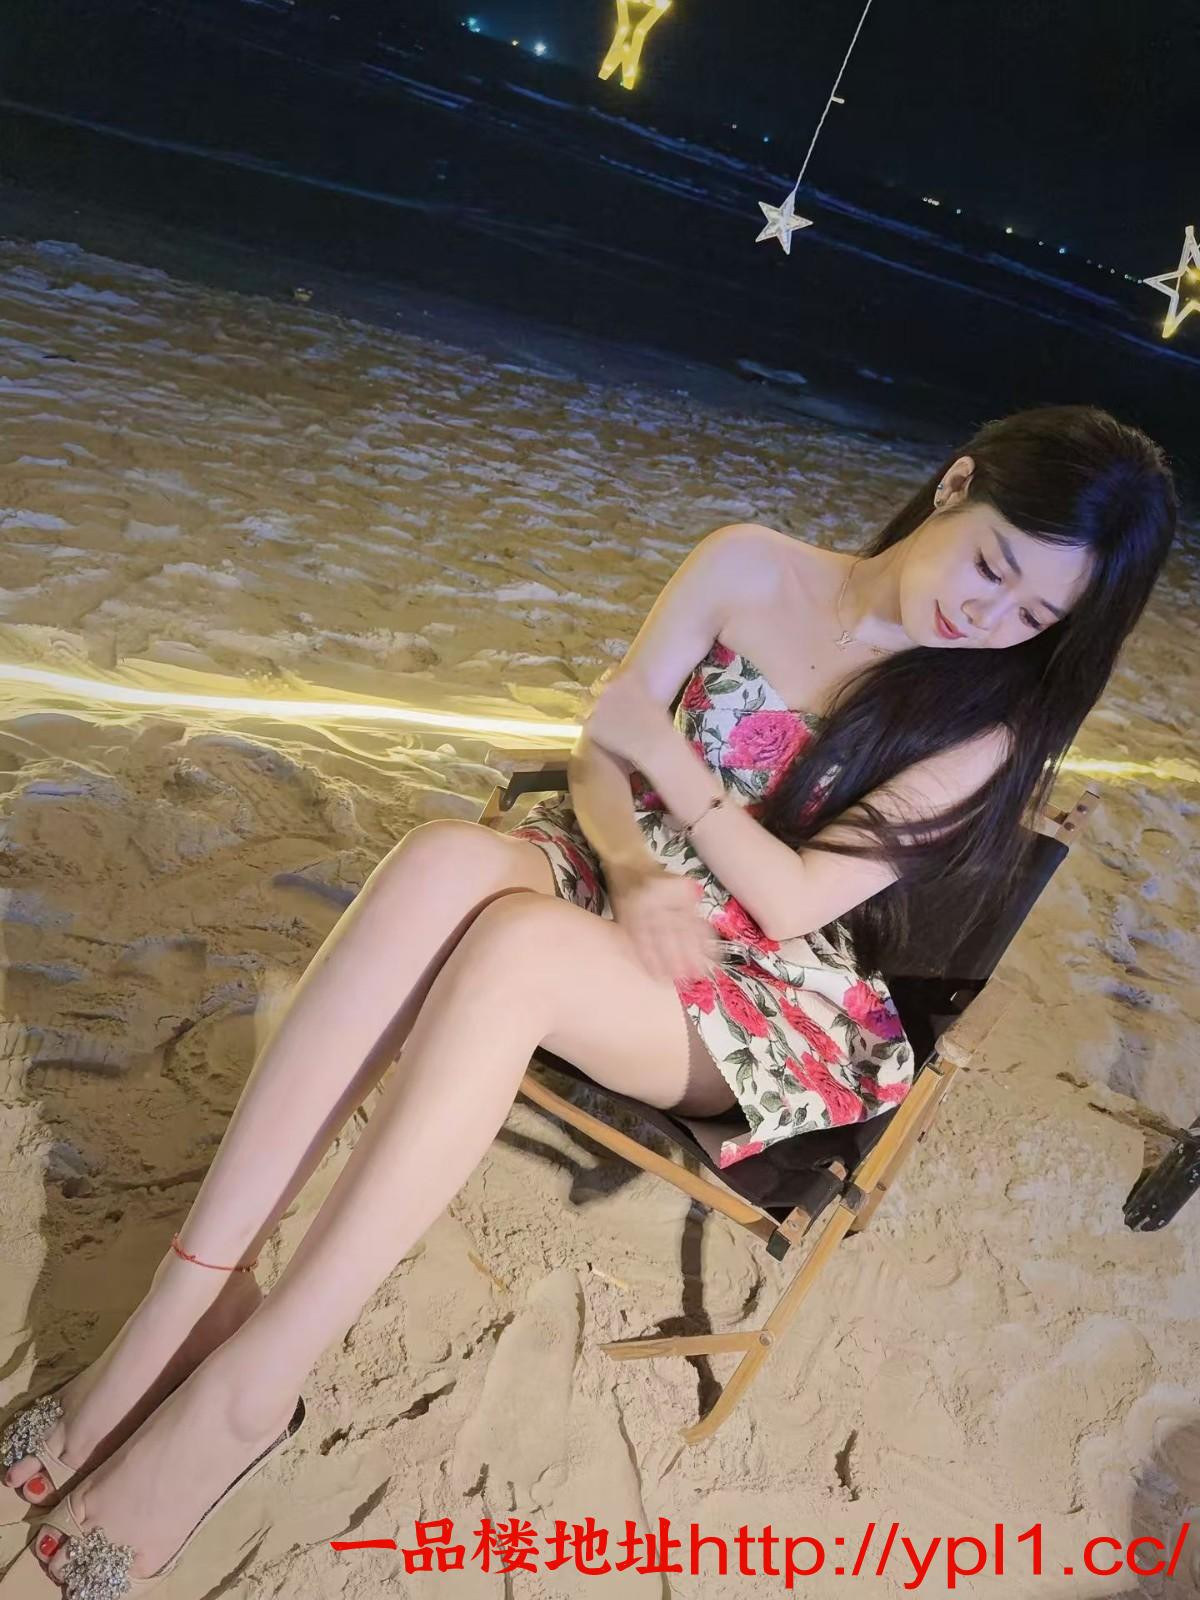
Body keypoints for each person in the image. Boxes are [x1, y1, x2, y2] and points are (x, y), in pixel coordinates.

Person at [0, 403, 1178, 1595]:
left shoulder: (981, 727)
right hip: (621, 868)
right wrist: (628, 860)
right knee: (438, 860)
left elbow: (785, 898)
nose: (987, 617)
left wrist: (665, 758)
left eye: (1034, 615)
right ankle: (186, 1308)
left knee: (521, 949)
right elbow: (596, 755)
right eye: (992, 566)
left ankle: (252, 1391)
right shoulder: (749, 564)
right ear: (956, 484)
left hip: (757, 990)